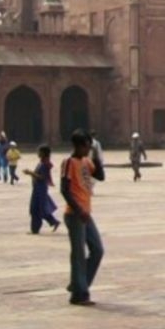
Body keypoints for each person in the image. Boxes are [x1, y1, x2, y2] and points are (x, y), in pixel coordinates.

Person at [60, 129, 105, 306]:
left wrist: (96, 158)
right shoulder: (68, 162)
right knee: (78, 254)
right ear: (78, 145)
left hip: (86, 213)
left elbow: (100, 176)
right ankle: (79, 294)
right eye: (87, 146)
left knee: (98, 250)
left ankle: (78, 284)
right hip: (75, 214)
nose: (88, 149)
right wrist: (79, 210)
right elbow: (64, 189)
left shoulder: (87, 161)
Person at [28, 145, 60, 233]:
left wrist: (31, 173)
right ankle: (53, 221)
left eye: (39, 151)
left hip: (40, 189)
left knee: (36, 209)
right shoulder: (41, 163)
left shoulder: (45, 164)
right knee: (37, 208)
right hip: (37, 188)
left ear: (43, 153)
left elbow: (43, 177)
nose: (38, 153)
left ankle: (35, 229)